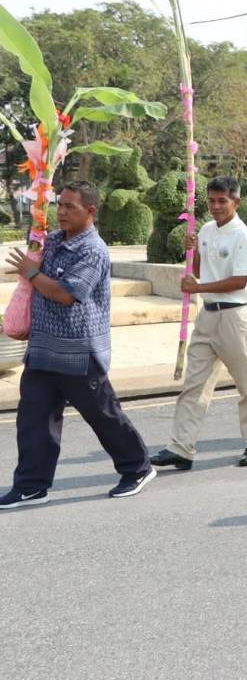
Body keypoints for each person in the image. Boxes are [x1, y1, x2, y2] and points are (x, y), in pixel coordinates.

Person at [0, 182, 155, 508]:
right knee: (34, 419)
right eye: (60, 204)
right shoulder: (53, 241)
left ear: (91, 211)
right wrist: (37, 215)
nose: (63, 212)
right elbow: (36, 247)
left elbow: (66, 293)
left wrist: (31, 273)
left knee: (103, 416)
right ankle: (31, 485)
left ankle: (138, 468)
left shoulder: (93, 250)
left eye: (70, 206)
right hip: (42, 349)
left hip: (78, 352)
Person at [150, 176, 247, 471]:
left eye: (222, 201)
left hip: (234, 317)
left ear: (236, 202)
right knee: (194, 384)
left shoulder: (243, 235)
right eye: (212, 200)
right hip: (207, 317)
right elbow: (202, 270)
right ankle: (181, 447)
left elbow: (240, 280)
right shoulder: (204, 230)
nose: (216, 206)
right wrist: (192, 250)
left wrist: (198, 289)